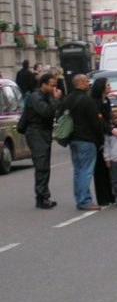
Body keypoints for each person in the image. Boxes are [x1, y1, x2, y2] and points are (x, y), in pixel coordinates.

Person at [62, 74, 107, 211]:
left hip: (72, 139)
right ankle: (84, 200)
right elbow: (95, 122)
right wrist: (100, 139)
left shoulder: (68, 99)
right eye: (87, 81)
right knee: (86, 171)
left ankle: (79, 197)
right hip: (86, 139)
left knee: (78, 170)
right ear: (81, 83)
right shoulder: (87, 101)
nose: (89, 83)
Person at [24, 73, 62, 208]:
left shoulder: (46, 96)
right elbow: (46, 112)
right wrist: (56, 100)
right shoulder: (36, 97)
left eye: (55, 86)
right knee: (41, 165)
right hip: (36, 132)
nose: (54, 88)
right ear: (43, 84)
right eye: (52, 86)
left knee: (45, 165)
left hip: (44, 132)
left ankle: (43, 196)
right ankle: (42, 197)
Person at [91, 78, 116, 206]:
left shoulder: (107, 101)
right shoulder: (94, 103)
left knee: (109, 167)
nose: (109, 86)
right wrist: (111, 130)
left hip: (108, 136)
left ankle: (111, 194)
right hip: (98, 137)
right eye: (107, 85)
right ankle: (102, 197)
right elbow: (99, 121)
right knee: (100, 168)